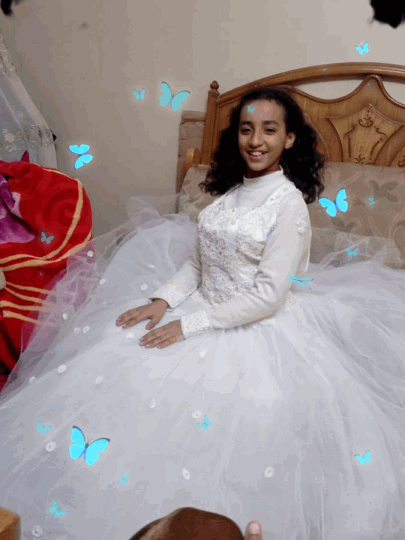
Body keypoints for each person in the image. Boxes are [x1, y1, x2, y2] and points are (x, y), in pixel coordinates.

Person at [1, 86, 405, 540]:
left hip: (258, 328)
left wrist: (188, 324)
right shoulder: (231, 195)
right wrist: (162, 301)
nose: (256, 140)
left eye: (270, 130)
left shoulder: (287, 203)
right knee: (126, 360)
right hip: (202, 307)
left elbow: (269, 295)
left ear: (289, 138)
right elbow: (198, 262)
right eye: (247, 129)